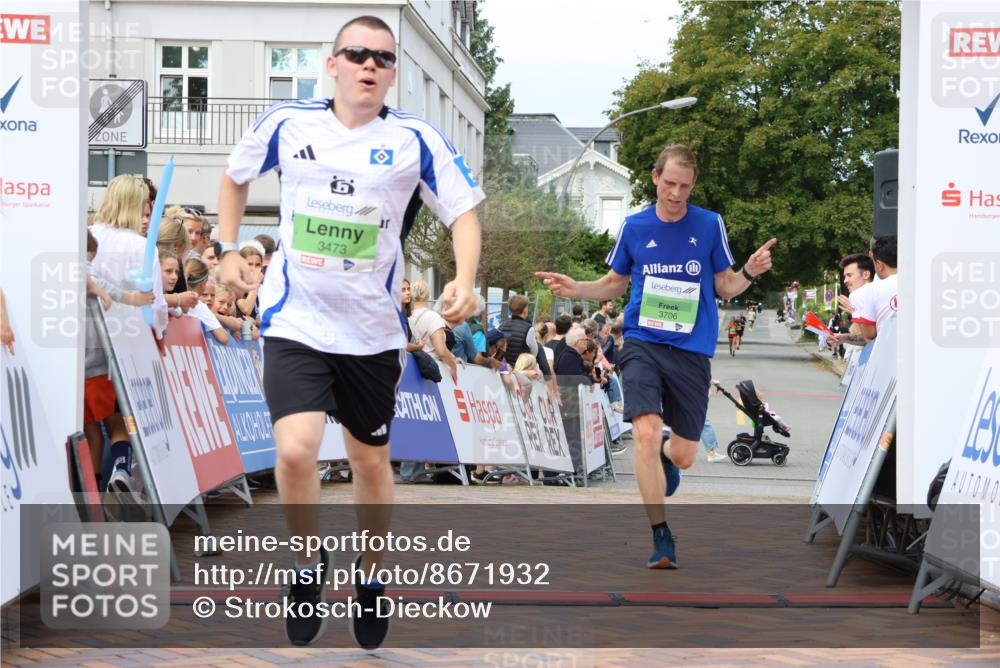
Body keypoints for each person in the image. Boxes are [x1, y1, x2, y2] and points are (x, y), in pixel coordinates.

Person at [216, 14, 483, 650]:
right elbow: (234, 175)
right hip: (296, 320)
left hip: (369, 333)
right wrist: (228, 247)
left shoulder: (416, 139)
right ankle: (308, 563)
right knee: (295, 450)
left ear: (393, 76)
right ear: (331, 64)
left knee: (368, 461)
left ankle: (370, 575)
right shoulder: (288, 122)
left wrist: (467, 278)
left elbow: (464, 210)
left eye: (383, 59)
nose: (370, 65)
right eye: (357, 54)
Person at [537, 143, 776, 569]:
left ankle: (668, 456)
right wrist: (576, 288)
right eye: (669, 184)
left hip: (691, 351)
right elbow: (614, 283)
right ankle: (660, 535)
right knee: (645, 432)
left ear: (692, 185)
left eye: (684, 186)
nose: (676, 193)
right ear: (654, 178)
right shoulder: (634, 226)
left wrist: (750, 274)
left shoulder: (709, 225)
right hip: (643, 342)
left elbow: (725, 286)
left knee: (683, 454)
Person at [90, 174, 169, 502]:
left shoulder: (88, 235)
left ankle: (90, 494)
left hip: (85, 337)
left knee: (91, 421)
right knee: (125, 415)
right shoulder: (141, 246)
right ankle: (121, 470)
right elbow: (156, 301)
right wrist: (160, 331)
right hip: (129, 341)